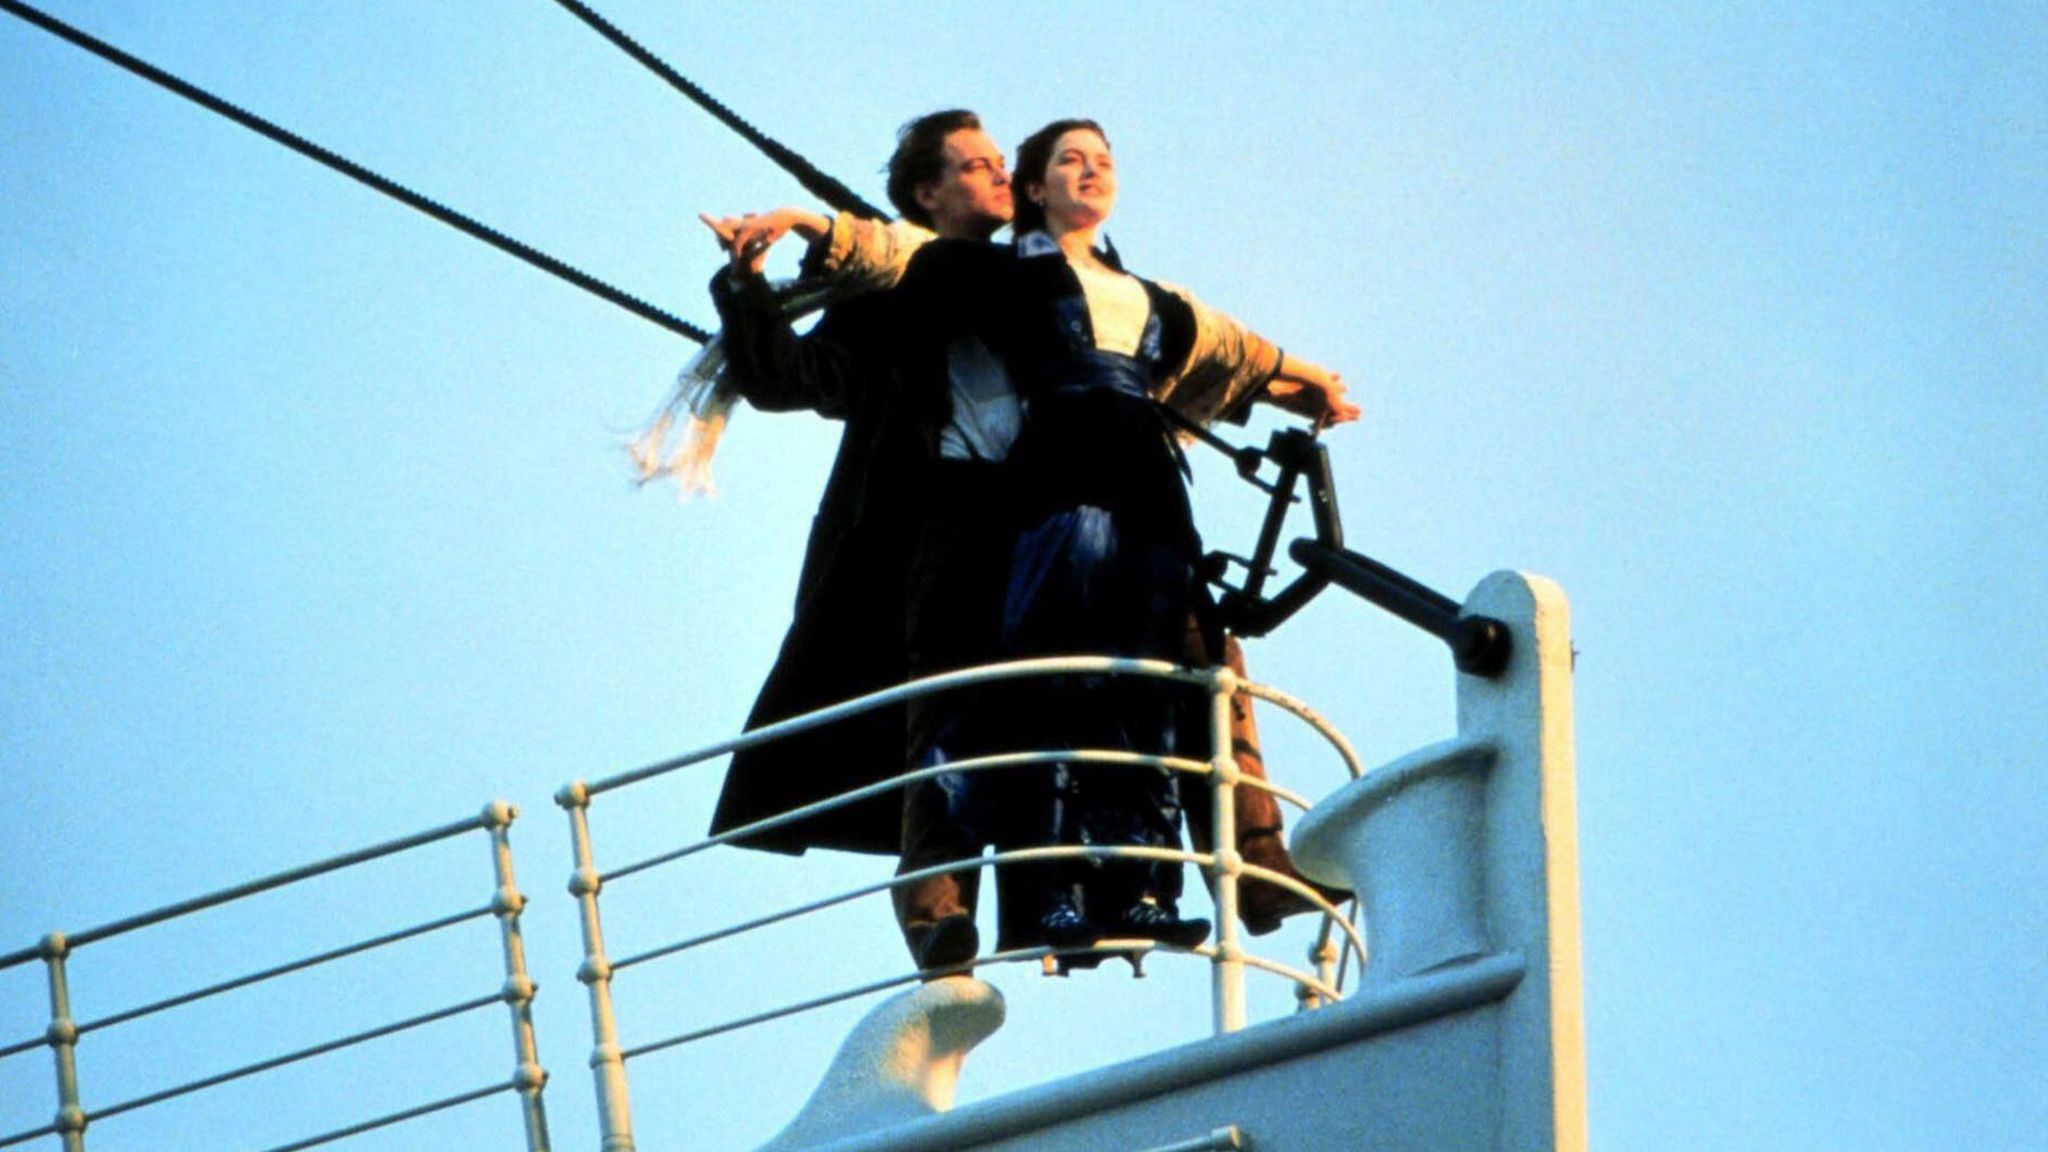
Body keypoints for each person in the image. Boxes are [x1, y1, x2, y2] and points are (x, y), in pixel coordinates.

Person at [875, 118, 1358, 956]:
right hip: (1042, 498)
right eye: (1070, 159)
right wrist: (811, 232)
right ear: (1034, 187)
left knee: (1192, 664)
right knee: (1023, 690)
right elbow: (885, 256)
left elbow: (1216, 344)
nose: (1093, 171)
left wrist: (1297, 380)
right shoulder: (990, 273)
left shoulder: (1146, 292)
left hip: (1145, 495)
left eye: (1105, 160)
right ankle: (987, 908)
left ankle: (1240, 875)